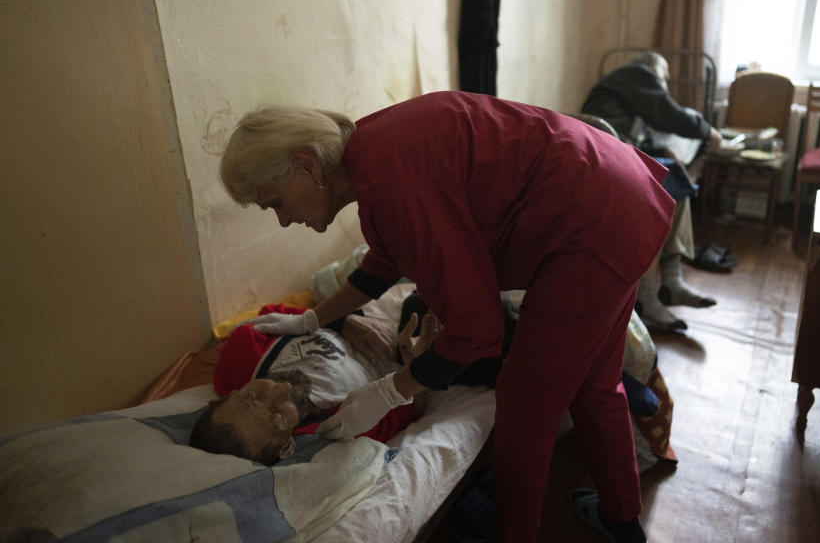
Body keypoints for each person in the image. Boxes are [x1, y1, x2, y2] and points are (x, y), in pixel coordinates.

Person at [219, 90, 675, 542]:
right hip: (619, 194)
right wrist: (312, 319)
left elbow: (476, 331)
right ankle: (622, 520)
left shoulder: (390, 183)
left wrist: (387, 393)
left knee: (524, 403)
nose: (282, 221)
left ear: (307, 164)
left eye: (275, 202)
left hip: (592, 225)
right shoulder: (370, 150)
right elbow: (387, 258)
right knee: (596, 381)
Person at [582, 51, 724, 332]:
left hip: (609, 152)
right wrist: (708, 131)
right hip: (604, 156)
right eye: (665, 76)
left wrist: (662, 151)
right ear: (651, 70)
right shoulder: (637, 76)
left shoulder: (623, 87)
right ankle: (647, 295)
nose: (665, 83)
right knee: (664, 186)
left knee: (676, 178)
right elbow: (667, 113)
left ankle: (671, 279)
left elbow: (638, 131)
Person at [190, 305, 438, 465]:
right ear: (286, 446)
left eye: (253, 396)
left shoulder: (242, 354)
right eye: (277, 417)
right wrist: (417, 367)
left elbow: (282, 314)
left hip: (358, 312)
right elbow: (402, 411)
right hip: (405, 350)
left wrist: (345, 319)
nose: (281, 389)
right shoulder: (339, 426)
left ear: (230, 395)